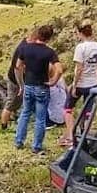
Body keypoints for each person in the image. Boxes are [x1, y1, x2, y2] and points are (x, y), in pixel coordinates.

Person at [12, 24, 60, 153]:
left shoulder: (25, 48)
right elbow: (59, 69)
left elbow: (17, 67)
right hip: (42, 86)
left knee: (25, 113)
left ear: (38, 34)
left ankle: (19, 141)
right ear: (49, 38)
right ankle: (36, 146)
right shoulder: (49, 52)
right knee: (40, 118)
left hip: (28, 84)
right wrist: (53, 81)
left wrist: (21, 84)